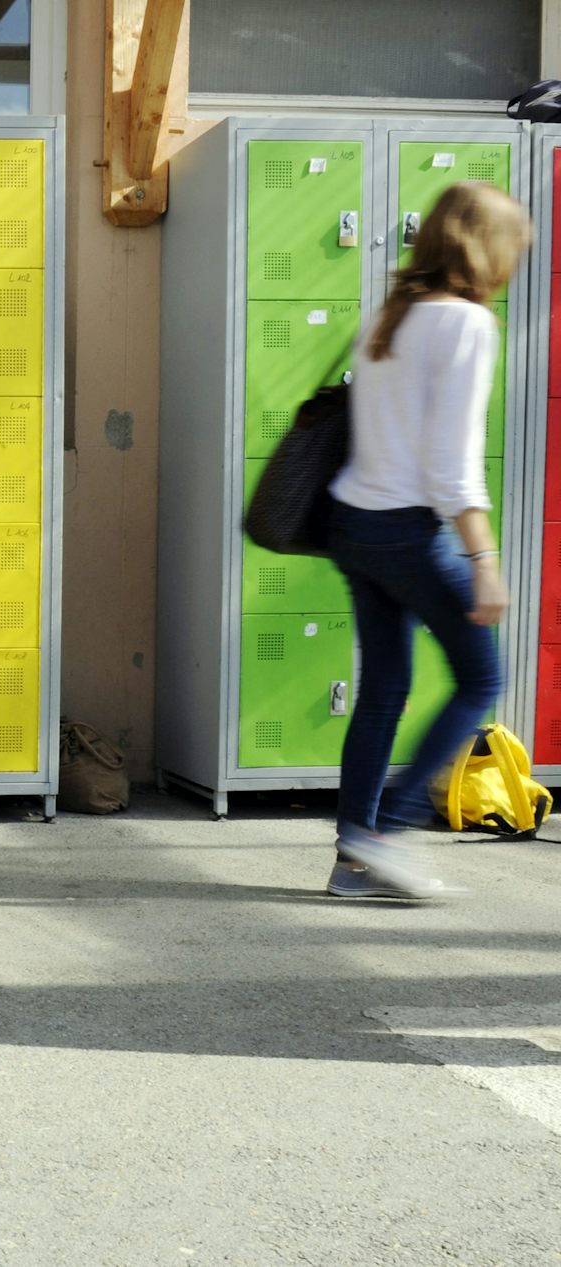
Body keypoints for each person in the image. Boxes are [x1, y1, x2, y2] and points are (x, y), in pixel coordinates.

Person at [325, 180, 530, 899]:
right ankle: (385, 838)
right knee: (481, 678)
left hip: (352, 522)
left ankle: (353, 861)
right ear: (489, 250)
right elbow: (451, 465)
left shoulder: (393, 313)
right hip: (408, 530)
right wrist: (485, 561)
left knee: (384, 688)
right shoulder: (467, 325)